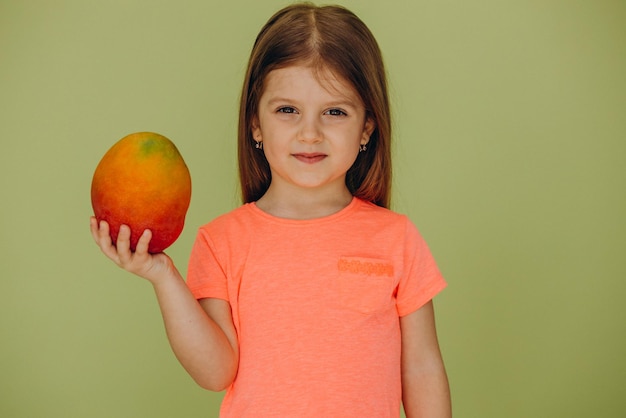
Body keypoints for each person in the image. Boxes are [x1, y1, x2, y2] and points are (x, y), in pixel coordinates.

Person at [90, 3, 451, 417]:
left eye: (335, 112)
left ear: (367, 126)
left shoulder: (397, 238)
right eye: (287, 110)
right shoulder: (221, 241)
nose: (310, 133)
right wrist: (161, 275)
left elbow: (422, 367)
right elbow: (215, 372)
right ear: (255, 125)